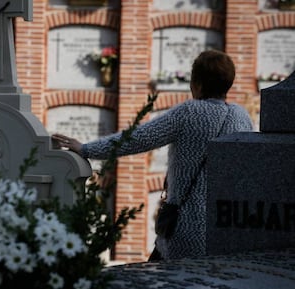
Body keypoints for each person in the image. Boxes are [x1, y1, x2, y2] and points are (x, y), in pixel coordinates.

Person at [52, 50, 253, 260]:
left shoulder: (190, 112)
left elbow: (138, 139)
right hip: (225, 229)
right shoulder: (241, 117)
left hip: (185, 228)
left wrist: (86, 149)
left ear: (198, 83)